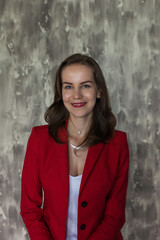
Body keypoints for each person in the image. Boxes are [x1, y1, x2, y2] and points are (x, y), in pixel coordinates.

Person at [20, 53, 129, 240]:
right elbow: (30, 209)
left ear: (99, 91)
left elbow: (115, 216)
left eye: (85, 85)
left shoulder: (117, 143)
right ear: (61, 92)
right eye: (68, 87)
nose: (76, 95)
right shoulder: (39, 139)